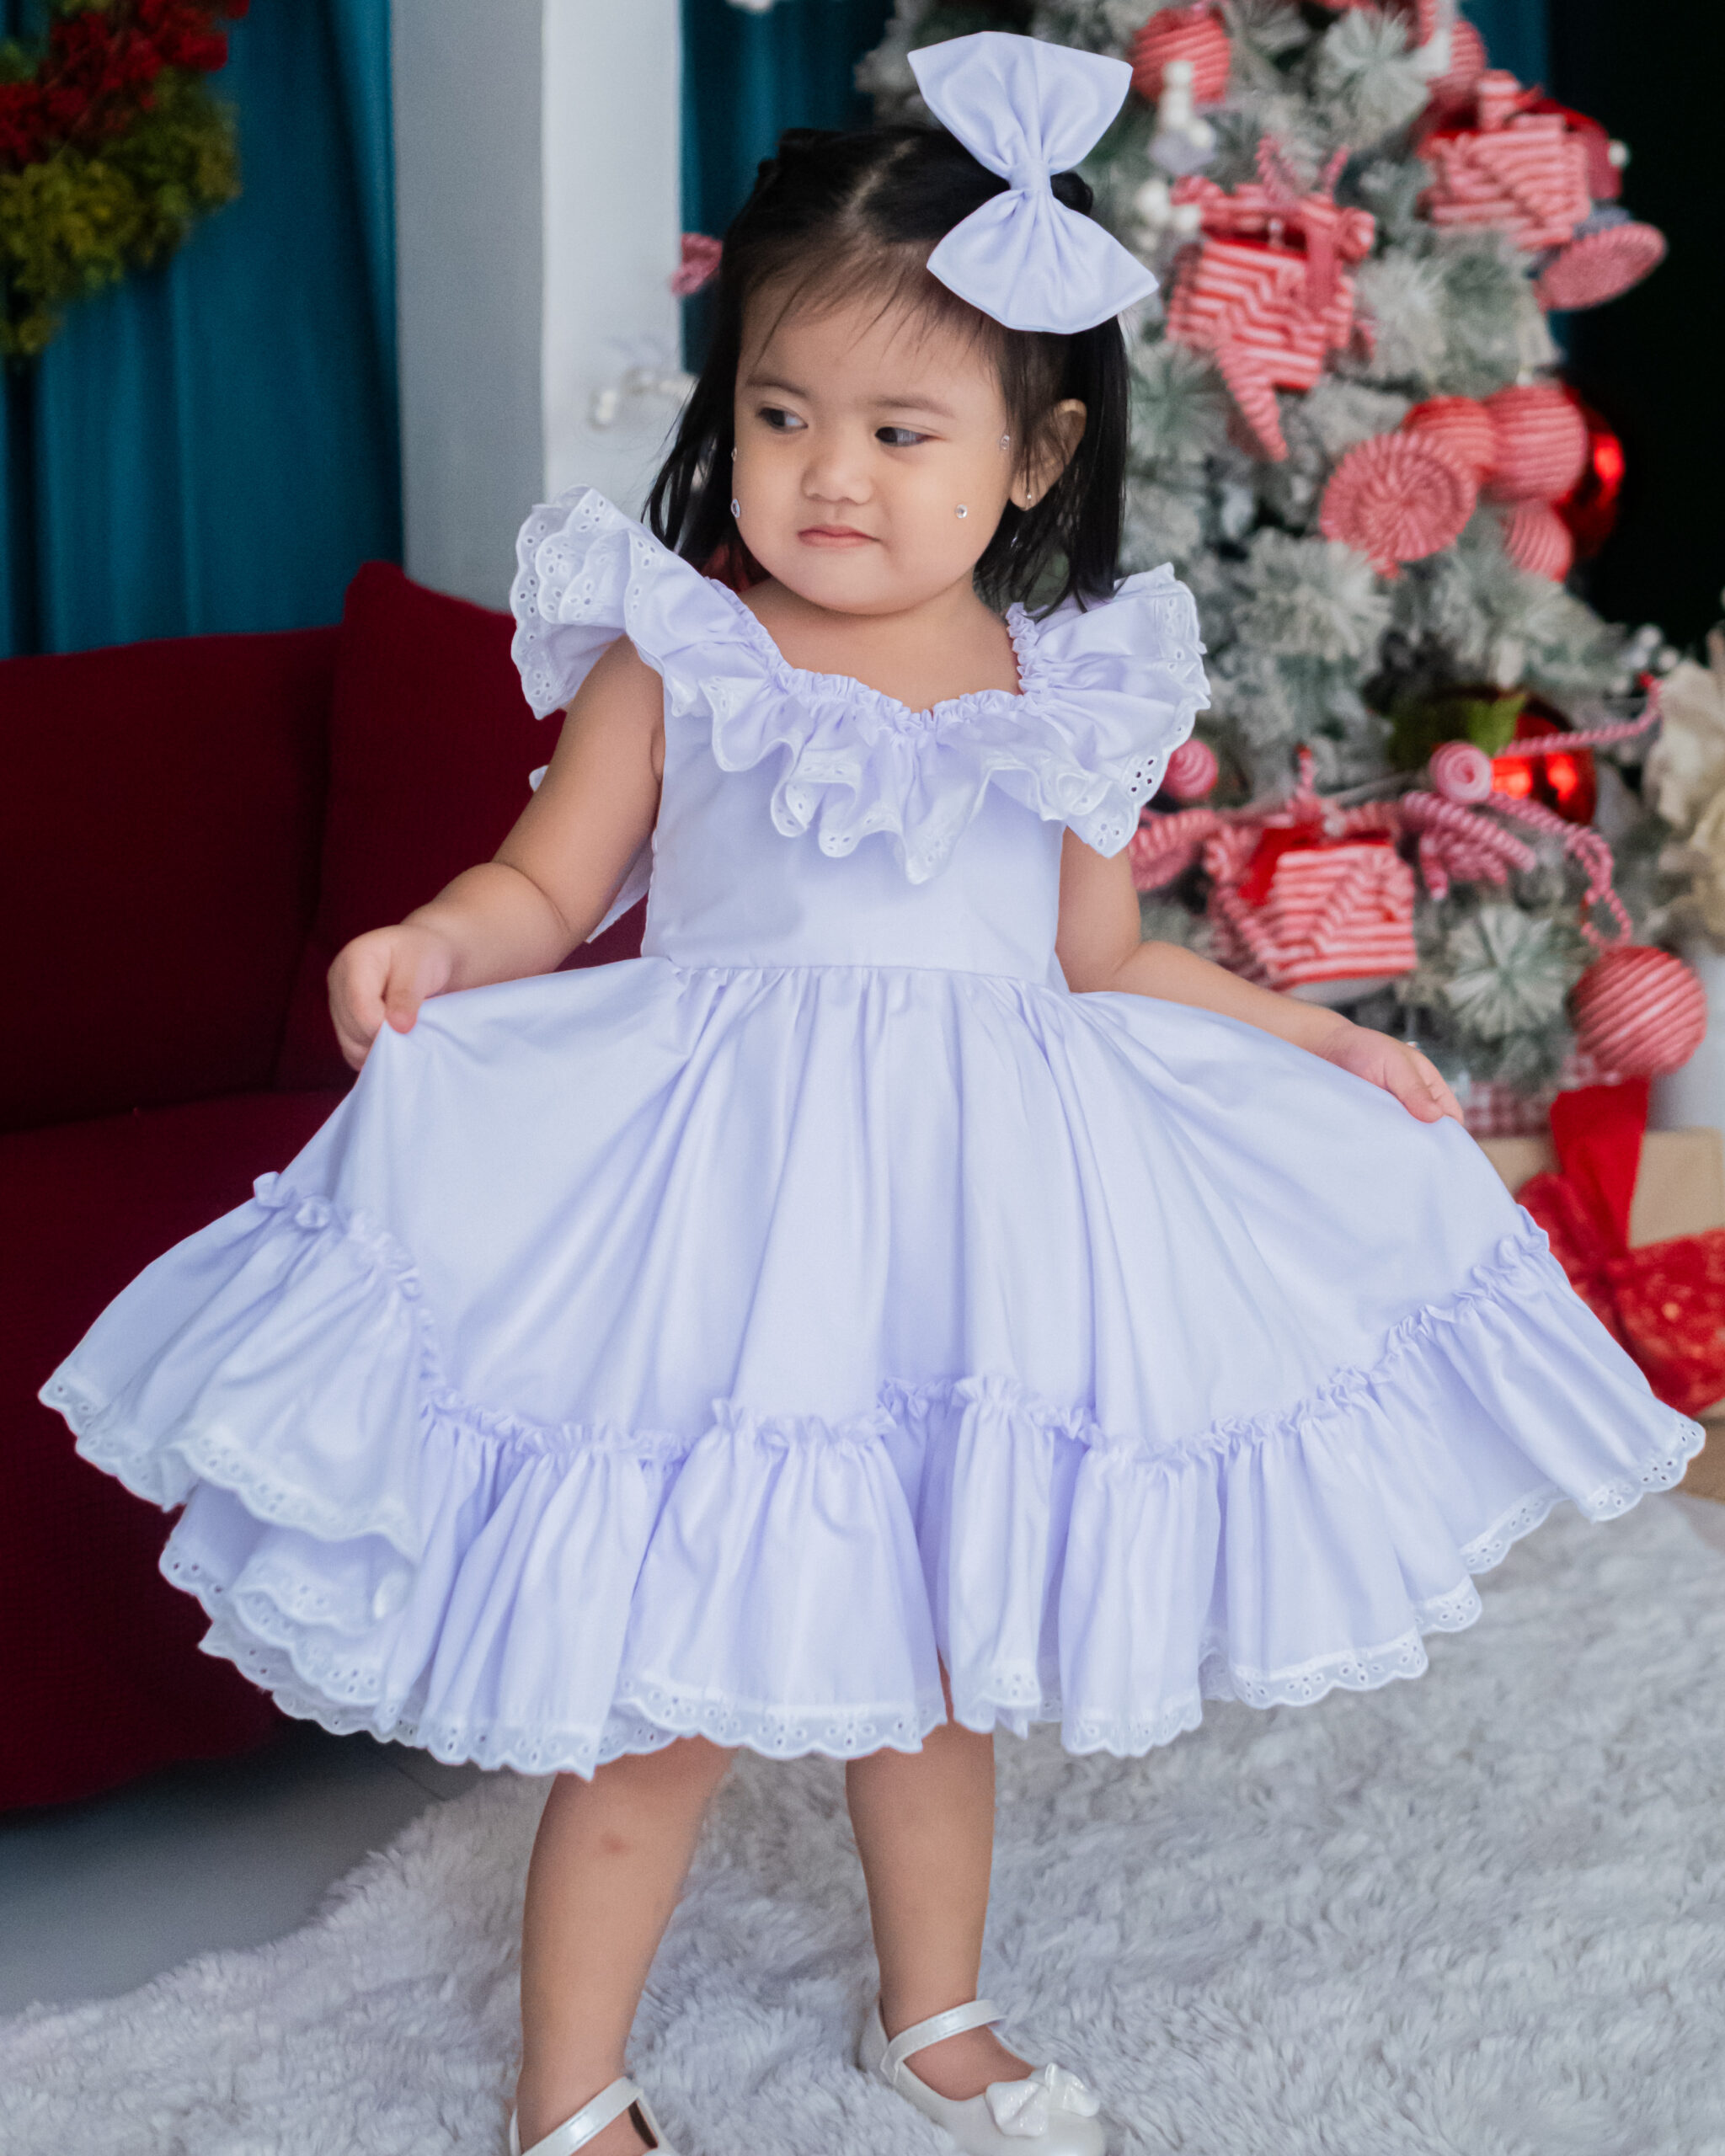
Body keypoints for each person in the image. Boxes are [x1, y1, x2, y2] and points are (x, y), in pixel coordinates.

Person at [39, 33, 1703, 2156]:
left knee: (934, 1655)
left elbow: (1105, 959)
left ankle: (937, 2011)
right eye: (780, 413)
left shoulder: (1064, 681)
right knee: (658, 1695)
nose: (829, 472)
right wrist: (437, 943)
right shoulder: (682, 651)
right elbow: (548, 881)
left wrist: (1326, 1039)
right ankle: (569, 2089)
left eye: (900, 430)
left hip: (963, 1229)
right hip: (726, 1219)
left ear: (1032, 455)